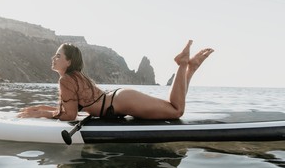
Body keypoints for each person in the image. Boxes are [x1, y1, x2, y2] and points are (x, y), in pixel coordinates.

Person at [18, 40, 214, 121]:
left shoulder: (66, 81)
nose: (53, 58)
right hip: (120, 98)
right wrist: (39, 109)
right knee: (173, 107)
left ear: (68, 62)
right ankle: (191, 69)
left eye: (58, 56)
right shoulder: (73, 77)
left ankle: (183, 66)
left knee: (176, 111)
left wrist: (40, 115)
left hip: (121, 101)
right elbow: (66, 108)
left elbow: (69, 116)